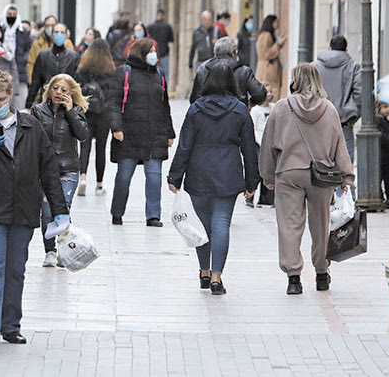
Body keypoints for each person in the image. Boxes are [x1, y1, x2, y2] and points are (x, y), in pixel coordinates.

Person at [0, 70, 68, 345]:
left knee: (16, 269)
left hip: (23, 208)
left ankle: (11, 326)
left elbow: (49, 171)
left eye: (1, 99)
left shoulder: (31, 126)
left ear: (11, 96)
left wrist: (60, 209)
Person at [259, 64, 354, 295]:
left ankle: (294, 278)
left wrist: (267, 175)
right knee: (321, 224)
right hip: (321, 176)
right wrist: (346, 176)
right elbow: (340, 145)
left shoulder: (281, 108)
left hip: (289, 172)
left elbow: (268, 144)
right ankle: (321, 273)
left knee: (290, 224)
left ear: (295, 81)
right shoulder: (329, 109)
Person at [167, 63, 259, 295]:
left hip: (199, 171)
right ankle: (217, 276)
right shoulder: (240, 110)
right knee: (221, 225)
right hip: (228, 171)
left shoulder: (196, 109)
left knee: (203, 226)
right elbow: (249, 148)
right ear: (232, 82)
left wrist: (175, 176)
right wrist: (251, 181)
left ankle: (204, 272)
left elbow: (184, 145)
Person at [108, 38, 175, 227]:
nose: (154, 54)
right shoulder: (123, 73)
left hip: (154, 134)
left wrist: (169, 133)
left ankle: (153, 216)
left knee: (154, 178)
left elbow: (165, 107)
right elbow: (113, 102)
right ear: (141, 53)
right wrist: (116, 128)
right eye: (151, 51)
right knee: (123, 177)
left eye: (155, 50)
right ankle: (117, 212)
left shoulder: (160, 75)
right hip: (128, 134)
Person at [31, 74, 89, 267]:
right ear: (50, 89)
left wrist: (71, 111)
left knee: (63, 211)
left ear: (71, 93)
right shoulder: (38, 111)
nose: (59, 93)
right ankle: (50, 251)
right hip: (45, 171)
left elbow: (83, 135)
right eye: (56, 88)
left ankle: (64, 251)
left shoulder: (76, 110)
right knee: (47, 212)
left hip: (68, 170)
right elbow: (31, 138)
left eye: (64, 90)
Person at [312, 35, 362, 164]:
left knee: (319, 164)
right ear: (346, 50)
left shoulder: (314, 67)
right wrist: (352, 115)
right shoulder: (353, 67)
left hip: (318, 122)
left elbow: (306, 92)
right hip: (343, 122)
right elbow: (360, 95)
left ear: (329, 48)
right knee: (344, 167)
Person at [76, 39, 115, 197]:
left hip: (86, 112)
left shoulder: (83, 69)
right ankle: (99, 185)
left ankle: (83, 177)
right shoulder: (110, 71)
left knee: (84, 147)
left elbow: (76, 89)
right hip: (103, 114)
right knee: (101, 149)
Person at [189, 37, 267, 106]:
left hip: (207, 117)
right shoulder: (244, 71)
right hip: (236, 116)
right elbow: (259, 94)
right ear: (233, 53)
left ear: (215, 53)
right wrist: (251, 103)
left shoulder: (202, 69)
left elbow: (194, 99)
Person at [26, 23, 80, 108]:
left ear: (66, 35)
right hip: (46, 102)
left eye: (62, 32)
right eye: (56, 32)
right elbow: (35, 82)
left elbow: (77, 83)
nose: (59, 34)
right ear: (52, 35)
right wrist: (28, 104)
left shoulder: (74, 57)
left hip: (66, 103)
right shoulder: (43, 56)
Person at [0, 4, 33, 111]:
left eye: (14, 14)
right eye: (9, 14)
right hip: (2, 67)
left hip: (19, 69)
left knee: (20, 100)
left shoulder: (22, 31)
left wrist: (23, 60)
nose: (11, 16)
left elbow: (28, 48)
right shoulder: (0, 29)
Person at [27, 15, 75, 86]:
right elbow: (31, 64)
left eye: (52, 25)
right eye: (47, 25)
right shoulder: (37, 44)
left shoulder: (67, 43)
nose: (50, 28)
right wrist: (33, 82)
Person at [249, 85, 275, 207]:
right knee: (258, 171)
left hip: (272, 144)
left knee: (271, 169)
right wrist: (259, 142)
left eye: (270, 91)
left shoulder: (274, 108)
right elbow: (252, 128)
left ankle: (266, 198)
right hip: (259, 143)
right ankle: (250, 196)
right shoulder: (256, 110)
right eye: (266, 92)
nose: (269, 94)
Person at [255, 15, 287, 100]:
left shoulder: (264, 34)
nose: (278, 24)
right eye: (276, 22)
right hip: (268, 67)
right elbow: (267, 53)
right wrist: (278, 45)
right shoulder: (267, 35)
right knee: (270, 92)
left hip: (265, 67)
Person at [148, 9, 175, 85]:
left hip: (153, 53)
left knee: (153, 72)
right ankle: (164, 89)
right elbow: (171, 39)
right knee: (165, 73)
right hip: (164, 53)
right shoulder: (167, 26)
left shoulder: (150, 27)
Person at [189, 11, 215, 76]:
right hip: (200, 62)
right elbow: (193, 49)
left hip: (213, 62)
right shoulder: (197, 33)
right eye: (205, 20)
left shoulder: (216, 31)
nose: (208, 22)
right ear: (201, 20)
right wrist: (190, 64)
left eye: (209, 20)